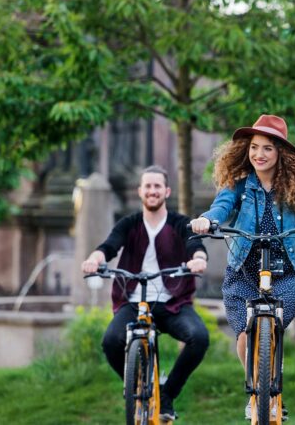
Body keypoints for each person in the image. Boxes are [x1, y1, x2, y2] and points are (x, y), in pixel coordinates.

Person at [190, 114, 295, 420]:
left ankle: (272, 377)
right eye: (255, 147)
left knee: (273, 324)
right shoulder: (239, 185)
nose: (259, 154)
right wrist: (209, 219)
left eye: (268, 148)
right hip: (245, 269)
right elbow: (222, 204)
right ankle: (258, 390)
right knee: (246, 334)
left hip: (287, 269)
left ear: (280, 153)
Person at [81, 165, 209, 422]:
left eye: (157, 186)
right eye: (147, 186)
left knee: (199, 338)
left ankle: (168, 394)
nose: (152, 191)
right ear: (140, 191)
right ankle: (136, 385)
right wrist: (94, 260)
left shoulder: (180, 222)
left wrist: (198, 259)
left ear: (167, 191)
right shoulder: (129, 224)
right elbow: (108, 246)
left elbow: (195, 244)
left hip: (172, 302)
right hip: (134, 301)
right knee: (110, 342)